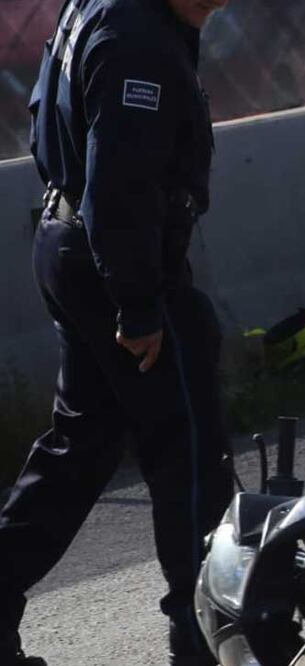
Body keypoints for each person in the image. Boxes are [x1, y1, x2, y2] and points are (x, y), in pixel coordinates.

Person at [0, 0, 232, 664]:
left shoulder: (124, 13)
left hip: (72, 247)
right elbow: (120, 184)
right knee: (187, 453)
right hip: (115, 267)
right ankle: (205, 640)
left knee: (81, 450)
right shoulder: (139, 42)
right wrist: (138, 306)